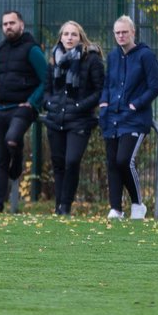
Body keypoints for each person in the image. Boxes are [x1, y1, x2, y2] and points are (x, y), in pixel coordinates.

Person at [99, 15, 158, 220]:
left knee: (124, 160)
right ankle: (116, 208)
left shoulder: (146, 56)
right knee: (112, 162)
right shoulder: (113, 57)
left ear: (133, 32)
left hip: (135, 118)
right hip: (112, 117)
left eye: (124, 32)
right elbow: (108, 84)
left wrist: (136, 104)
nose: (121, 36)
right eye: (117, 33)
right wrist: (104, 104)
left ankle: (137, 203)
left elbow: (155, 87)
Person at [43, 21, 104, 215]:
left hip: (80, 119)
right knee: (58, 163)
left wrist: (79, 107)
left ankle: (66, 204)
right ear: (60, 37)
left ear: (81, 37)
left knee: (71, 161)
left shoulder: (91, 59)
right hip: (55, 119)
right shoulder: (54, 59)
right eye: (66, 34)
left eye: (74, 34)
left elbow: (99, 90)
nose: (69, 38)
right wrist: (49, 104)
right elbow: (47, 90)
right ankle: (59, 207)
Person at [0, 10, 45, 212]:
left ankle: (18, 162)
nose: (8, 27)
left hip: (22, 108)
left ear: (21, 24)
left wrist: (32, 102)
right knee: (0, 160)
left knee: (12, 139)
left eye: (12, 23)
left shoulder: (32, 49)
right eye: (5, 24)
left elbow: (45, 80)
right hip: (0, 109)